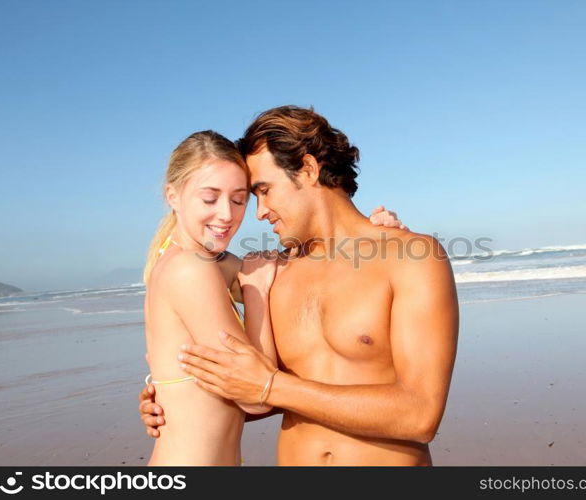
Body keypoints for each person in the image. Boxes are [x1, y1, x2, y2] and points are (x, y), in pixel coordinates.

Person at [141, 106, 458, 465]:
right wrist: (174, 399)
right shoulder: (274, 273)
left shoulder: (410, 257)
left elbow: (420, 416)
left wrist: (271, 385)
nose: (258, 212)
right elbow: (255, 392)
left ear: (307, 169)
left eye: (263, 190)